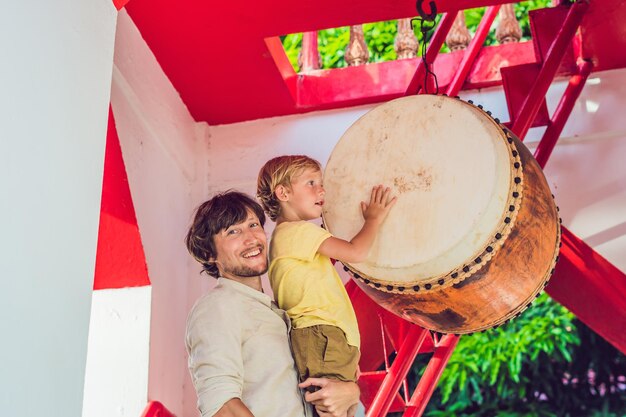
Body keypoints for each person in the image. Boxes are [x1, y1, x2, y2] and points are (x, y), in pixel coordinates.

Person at [184, 191, 360, 417]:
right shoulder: (217, 306)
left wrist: (350, 391)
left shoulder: (277, 310)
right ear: (209, 253)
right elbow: (221, 406)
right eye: (233, 232)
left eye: (253, 225)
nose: (251, 238)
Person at [256, 155, 396, 416]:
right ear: (283, 193)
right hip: (321, 335)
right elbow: (355, 252)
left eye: (320, 184)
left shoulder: (290, 237)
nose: (321, 190)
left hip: (324, 337)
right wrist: (373, 219)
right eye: (311, 183)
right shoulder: (298, 232)